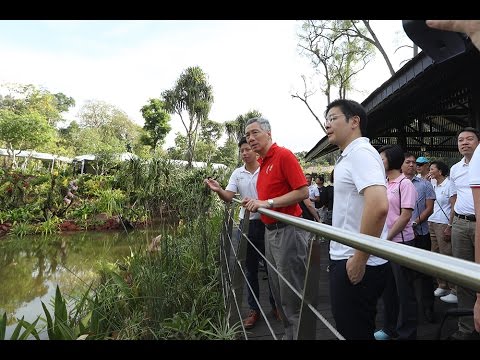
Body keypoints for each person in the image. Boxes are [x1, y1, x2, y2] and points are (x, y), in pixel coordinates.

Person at [324, 99, 389, 340]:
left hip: (357, 260)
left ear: (354, 121)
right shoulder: (349, 155)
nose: (327, 124)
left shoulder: (361, 153)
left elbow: (379, 205)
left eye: (333, 118)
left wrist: (360, 257)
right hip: (349, 256)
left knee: (354, 331)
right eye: (326, 119)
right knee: (354, 328)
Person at [242, 116, 309, 340]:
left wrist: (267, 203)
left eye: (255, 133)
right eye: (247, 134)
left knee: (292, 293)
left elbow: (302, 192)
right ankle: (289, 335)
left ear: (269, 134)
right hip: (270, 232)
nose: (250, 139)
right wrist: (256, 202)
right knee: (279, 291)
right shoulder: (263, 163)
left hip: (288, 231)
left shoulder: (283, 156)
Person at [204, 136, 277, 329]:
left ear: (254, 149)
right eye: (241, 150)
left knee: (271, 268)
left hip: (269, 223)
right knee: (250, 270)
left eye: (247, 149)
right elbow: (229, 197)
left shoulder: (266, 168)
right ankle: (254, 310)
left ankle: (276, 305)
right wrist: (218, 189)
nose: (244, 153)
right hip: (247, 225)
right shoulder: (238, 173)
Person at [375, 145, 418, 340]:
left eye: (382, 158)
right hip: (386, 243)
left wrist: (386, 237)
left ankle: (406, 332)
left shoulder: (404, 184)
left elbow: (405, 215)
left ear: (391, 160)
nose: (379, 162)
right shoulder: (383, 183)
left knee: (404, 291)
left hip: (401, 243)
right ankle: (389, 328)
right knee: (389, 289)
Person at [447, 127, 480, 339]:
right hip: (460, 223)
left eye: (469, 139)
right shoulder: (455, 169)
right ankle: (466, 328)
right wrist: (450, 224)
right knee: (462, 276)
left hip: (479, 224)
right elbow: (453, 197)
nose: (464, 142)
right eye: (460, 139)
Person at [401, 152, 436, 323]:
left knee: (425, 273)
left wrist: (415, 222)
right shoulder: (392, 184)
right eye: (407, 162)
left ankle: (428, 307)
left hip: (420, 233)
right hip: (400, 237)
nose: (411, 165)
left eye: (414, 163)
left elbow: (429, 208)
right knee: (403, 274)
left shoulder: (424, 184)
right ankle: (406, 310)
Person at [427, 161, 456, 301]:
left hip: (443, 223)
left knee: (446, 254)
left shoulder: (449, 184)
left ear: (440, 171)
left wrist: (450, 225)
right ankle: (442, 285)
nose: (430, 171)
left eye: (432, 169)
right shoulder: (431, 183)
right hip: (431, 222)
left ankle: (453, 288)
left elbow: (453, 206)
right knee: (435, 253)